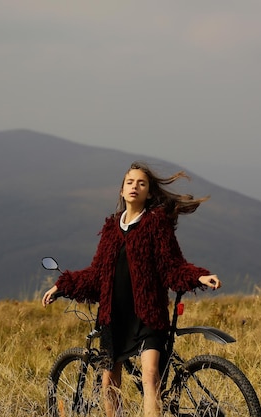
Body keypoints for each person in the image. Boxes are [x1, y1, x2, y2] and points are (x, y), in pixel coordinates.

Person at [42, 161, 221, 417]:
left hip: (147, 314)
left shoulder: (156, 224)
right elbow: (97, 274)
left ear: (149, 192)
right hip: (113, 316)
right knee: (109, 382)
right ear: (122, 191)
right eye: (130, 182)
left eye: (141, 183)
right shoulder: (111, 229)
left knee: (150, 376)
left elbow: (172, 265)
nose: (134, 187)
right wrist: (63, 285)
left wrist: (200, 277)